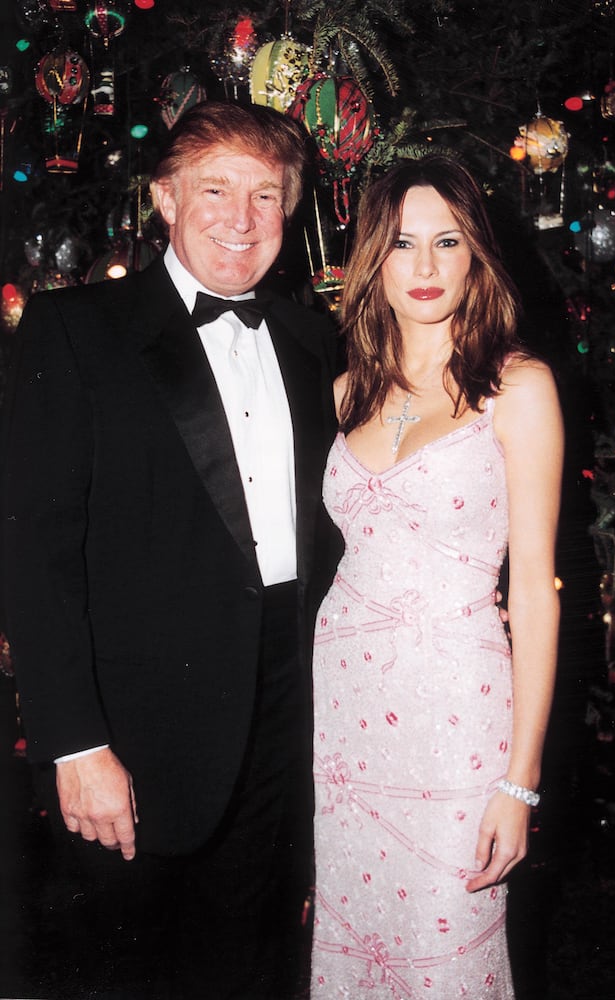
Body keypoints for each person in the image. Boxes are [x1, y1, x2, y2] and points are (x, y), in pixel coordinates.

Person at [0, 100, 343, 1000]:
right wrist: (74, 744)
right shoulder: (75, 328)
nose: (242, 219)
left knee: (254, 972)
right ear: (164, 199)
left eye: (265, 196)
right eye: (215, 189)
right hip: (135, 740)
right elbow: (34, 554)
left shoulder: (313, 340)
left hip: (288, 723)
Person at [310, 156, 563, 998]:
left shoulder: (516, 387)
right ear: (372, 260)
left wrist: (519, 780)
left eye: (446, 242)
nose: (424, 266)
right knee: (358, 948)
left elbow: (532, 590)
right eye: (401, 244)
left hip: (457, 714)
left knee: (443, 950)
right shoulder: (343, 393)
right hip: (343, 717)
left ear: (474, 254)